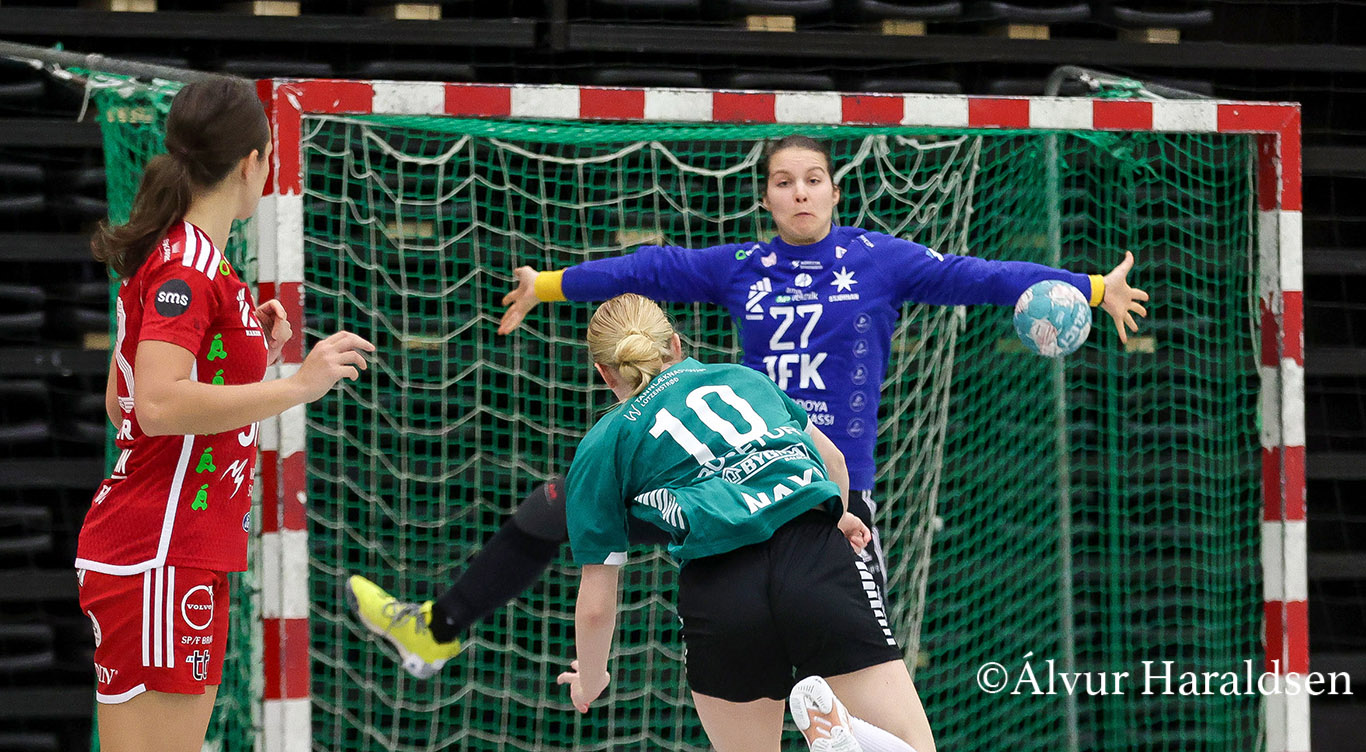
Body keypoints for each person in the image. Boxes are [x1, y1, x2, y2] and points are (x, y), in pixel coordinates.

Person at [348, 134, 1149, 676]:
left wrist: (1089, 287)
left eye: (813, 179)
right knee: (555, 503)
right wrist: (551, 284)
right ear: (766, 196)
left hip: (828, 496)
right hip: (727, 482)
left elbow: (980, 277)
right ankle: (437, 630)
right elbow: (651, 268)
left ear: (834, 189)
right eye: (783, 182)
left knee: (858, 674)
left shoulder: (882, 261)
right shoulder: (743, 266)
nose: (800, 192)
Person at [76, 76, 375, 752]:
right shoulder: (187, 267)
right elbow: (155, 403)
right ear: (251, 162)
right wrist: (297, 385)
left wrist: (250, 355)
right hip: (160, 551)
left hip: (171, 549)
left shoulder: (193, 261)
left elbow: (122, 401)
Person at [551, 293, 934, 752]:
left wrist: (592, 678)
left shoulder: (603, 443)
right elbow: (833, 459)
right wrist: (840, 517)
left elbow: (596, 606)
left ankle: (846, 741)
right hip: (811, 552)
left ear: (605, 373)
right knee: (913, 745)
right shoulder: (742, 378)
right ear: (676, 344)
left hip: (720, 588)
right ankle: (849, 738)